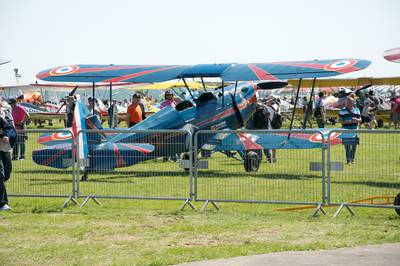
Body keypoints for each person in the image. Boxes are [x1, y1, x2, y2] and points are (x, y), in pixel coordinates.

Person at [0, 97, 16, 211]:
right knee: (0, 174)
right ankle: (2, 203)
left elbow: (10, 126)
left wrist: (8, 136)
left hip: (5, 147)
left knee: (7, 172)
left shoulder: (6, 109)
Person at [338, 95, 361, 164]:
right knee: (347, 146)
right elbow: (339, 120)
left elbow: (360, 119)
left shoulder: (357, 110)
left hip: (355, 130)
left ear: (353, 102)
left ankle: (352, 159)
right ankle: (348, 160)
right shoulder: (342, 111)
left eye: (350, 102)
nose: (348, 103)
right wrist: (346, 122)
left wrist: (356, 120)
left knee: (354, 146)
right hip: (345, 130)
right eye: (347, 102)